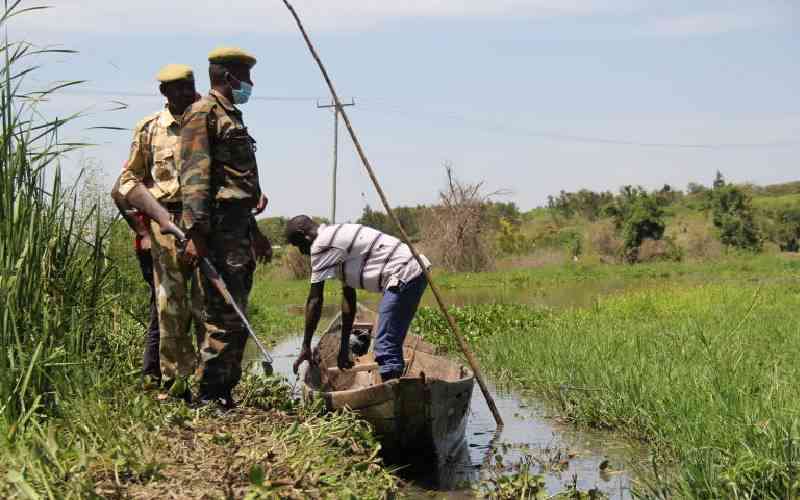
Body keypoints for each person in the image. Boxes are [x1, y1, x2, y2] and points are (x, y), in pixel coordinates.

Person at [180, 47, 269, 408]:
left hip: (238, 229)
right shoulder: (202, 113)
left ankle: (224, 391)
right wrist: (196, 236)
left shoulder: (232, 115)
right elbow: (195, 178)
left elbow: (232, 180)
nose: (249, 84)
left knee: (237, 313)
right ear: (228, 77)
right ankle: (208, 394)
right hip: (216, 231)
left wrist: (254, 229)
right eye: (245, 77)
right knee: (221, 315)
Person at [114, 64, 201, 401]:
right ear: (165, 92)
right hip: (166, 224)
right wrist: (158, 219)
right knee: (169, 307)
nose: (185, 92)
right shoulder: (149, 129)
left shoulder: (206, 122)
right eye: (177, 88)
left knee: (206, 306)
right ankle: (175, 383)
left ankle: (210, 383)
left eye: (189, 86)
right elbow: (127, 181)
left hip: (204, 224)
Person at [286, 217, 431, 382]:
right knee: (389, 343)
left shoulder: (321, 245)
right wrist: (344, 347)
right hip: (411, 271)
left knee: (385, 347)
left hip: (403, 273)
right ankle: (397, 387)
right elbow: (349, 299)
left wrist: (305, 346)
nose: (301, 251)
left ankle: (396, 398)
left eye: (298, 245)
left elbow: (315, 300)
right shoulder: (335, 237)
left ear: (303, 235)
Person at [111, 162, 161, 389]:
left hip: (171, 242)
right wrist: (142, 232)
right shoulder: (147, 155)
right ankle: (151, 375)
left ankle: (166, 373)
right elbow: (117, 191)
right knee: (161, 308)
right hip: (152, 247)